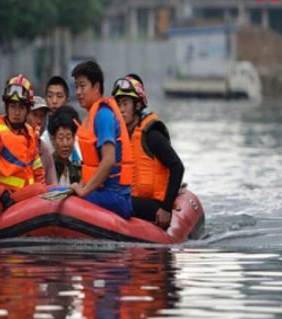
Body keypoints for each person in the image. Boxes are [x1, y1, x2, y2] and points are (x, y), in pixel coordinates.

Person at [112, 74, 184, 229]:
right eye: (118, 105)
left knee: (115, 201)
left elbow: (177, 167)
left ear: (137, 106)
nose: (121, 110)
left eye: (125, 104)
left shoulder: (152, 135)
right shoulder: (120, 137)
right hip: (132, 199)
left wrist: (166, 208)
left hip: (155, 204)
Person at [0, 74, 46, 228]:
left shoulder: (30, 133)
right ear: (6, 107)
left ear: (28, 109)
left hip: (20, 201)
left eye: (21, 107)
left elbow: (38, 171)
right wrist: (2, 194)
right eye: (12, 106)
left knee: (50, 189)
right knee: (41, 190)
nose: (16, 112)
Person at [70, 61, 133, 219]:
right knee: (58, 191)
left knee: (55, 194)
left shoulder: (103, 115)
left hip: (116, 197)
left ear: (96, 87)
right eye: (76, 86)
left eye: (82, 86)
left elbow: (108, 161)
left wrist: (83, 191)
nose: (78, 92)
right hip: (105, 192)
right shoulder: (92, 115)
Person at [48, 105, 81, 185]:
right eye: (61, 138)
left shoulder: (76, 168)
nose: (65, 144)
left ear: (74, 138)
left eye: (68, 138)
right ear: (53, 140)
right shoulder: (48, 166)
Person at [27, 96, 57, 184]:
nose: (39, 121)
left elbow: (52, 185)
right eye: (35, 115)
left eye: (42, 116)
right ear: (26, 116)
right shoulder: (14, 142)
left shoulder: (44, 149)